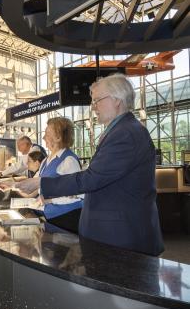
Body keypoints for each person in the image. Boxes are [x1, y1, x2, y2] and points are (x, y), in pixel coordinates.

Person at [40, 74, 164, 256]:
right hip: (115, 235)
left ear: (117, 100)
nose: (93, 107)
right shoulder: (121, 130)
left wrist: (41, 184)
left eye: (97, 100)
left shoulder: (125, 134)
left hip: (121, 239)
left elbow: (92, 178)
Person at [18, 118, 83, 232]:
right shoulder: (45, 161)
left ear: (58, 137)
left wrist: (51, 201)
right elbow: (37, 183)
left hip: (65, 218)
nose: (43, 138)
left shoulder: (69, 160)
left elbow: (78, 196)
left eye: (47, 134)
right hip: (50, 216)